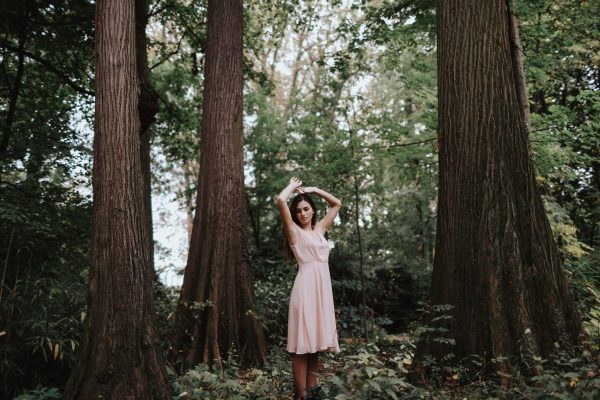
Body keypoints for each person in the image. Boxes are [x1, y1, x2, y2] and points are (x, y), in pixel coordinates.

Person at [275, 177, 342, 400]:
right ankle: (300, 396)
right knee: (302, 347)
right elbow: (281, 200)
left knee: (315, 348)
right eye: (299, 211)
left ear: (312, 210)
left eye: (306, 209)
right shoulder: (294, 232)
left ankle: (312, 394)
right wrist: (292, 187)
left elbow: (337, 204)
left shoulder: (320, 230)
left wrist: (315, 189)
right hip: (305, 291)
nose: (302, 213)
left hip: (322, 292)